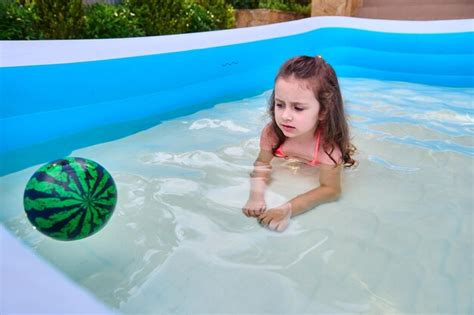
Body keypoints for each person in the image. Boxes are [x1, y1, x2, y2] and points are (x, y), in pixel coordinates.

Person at [242, 55, 356, 232]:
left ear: (323, 111)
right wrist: (256, 196)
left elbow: (331, 190)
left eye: (298, 108)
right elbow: (262, 163)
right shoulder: (272, 133)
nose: (285, 115)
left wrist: (287, 209)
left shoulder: (328, 150)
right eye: (280, 105)